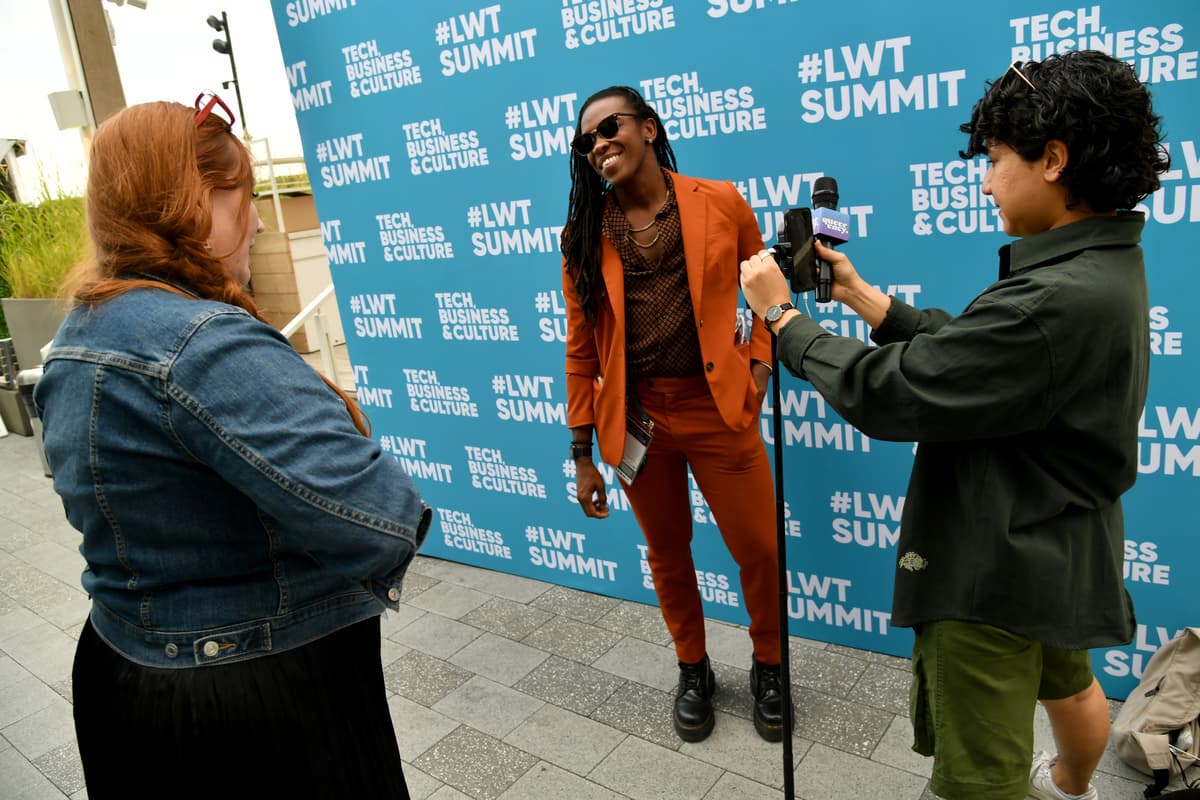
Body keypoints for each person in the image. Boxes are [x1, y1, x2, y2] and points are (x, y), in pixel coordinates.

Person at [739, 50, 1169, 800]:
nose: (986, 181)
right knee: (1071, 685)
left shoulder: (1052, 299)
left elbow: (891, 391)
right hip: (1063, 544)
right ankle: (1072, 787)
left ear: (1054, 159)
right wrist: (865, 299)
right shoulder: (1104, 267)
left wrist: (782, 320)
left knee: (980, 783)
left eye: (997, 160)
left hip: (991, 570)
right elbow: (981, 360)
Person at [34, 96, 430, 798]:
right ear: (195, 202)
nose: (258, 221)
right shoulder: (199, 342)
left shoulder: (77, 336)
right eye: (243, 196)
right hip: (255, 699)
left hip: (123, 675)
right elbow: (384, 518)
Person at [560, 85, 784, 743]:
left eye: (611, 127)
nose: (600, 144)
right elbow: (580, 349)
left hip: (718, 409)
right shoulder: (582, 236)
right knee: (667, 552)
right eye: (587, 140)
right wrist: (581, 453)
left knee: (760, 549)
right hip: (638, 419)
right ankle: (693, 667)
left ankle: (770, 665)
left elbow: (768, 289)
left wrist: (759, 370)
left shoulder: (721, 201)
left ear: (649, 128)